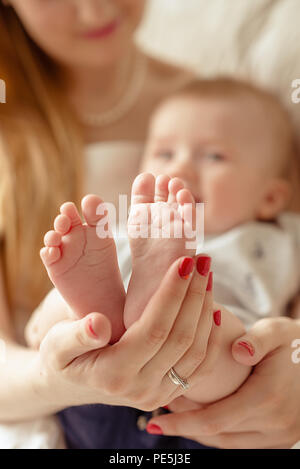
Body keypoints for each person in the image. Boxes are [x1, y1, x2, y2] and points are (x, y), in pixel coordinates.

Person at [0, 0, 300, 450]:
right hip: (72, 393)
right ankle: (100, 315)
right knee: (64, 317)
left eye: (213, 156)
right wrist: (56, 376)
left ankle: (138, 312)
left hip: (213, 408)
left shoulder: (238, 116)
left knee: (224, 341)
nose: (93, 10)